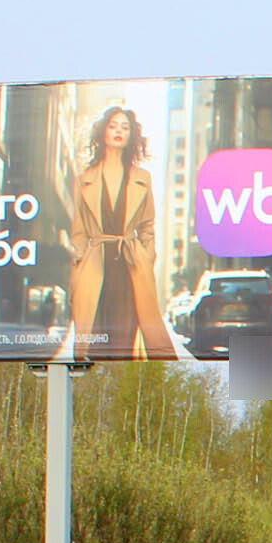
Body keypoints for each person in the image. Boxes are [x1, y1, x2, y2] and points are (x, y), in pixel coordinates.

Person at [60, 105, 177, 360]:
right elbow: (79, 231)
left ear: (131, 136)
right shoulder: (85, 179)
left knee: (125, 341)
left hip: (130, 267)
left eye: (125, 127)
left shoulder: (142, 178)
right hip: (94, 267)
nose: (118, 131)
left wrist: (145, 259)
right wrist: (79, 265)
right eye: (113, 126)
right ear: (103, 132)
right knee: (93, 341)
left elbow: (147, 227)